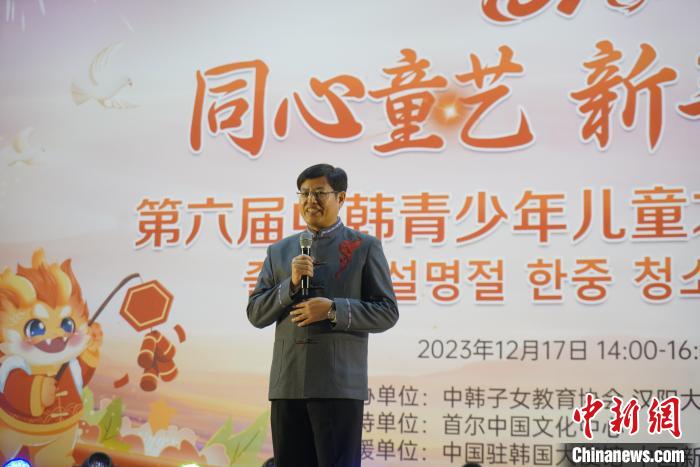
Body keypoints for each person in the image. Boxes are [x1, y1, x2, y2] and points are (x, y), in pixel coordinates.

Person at [247, 163, 399, 467]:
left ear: (340, 198)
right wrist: (290, 286)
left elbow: (387, 311)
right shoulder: (279, 251)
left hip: (338, 386)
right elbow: (256, 313)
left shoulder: (364, 247)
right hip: (288, 384)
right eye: (304, 193)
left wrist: (333, 309)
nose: (310, 201)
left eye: (319, 193)